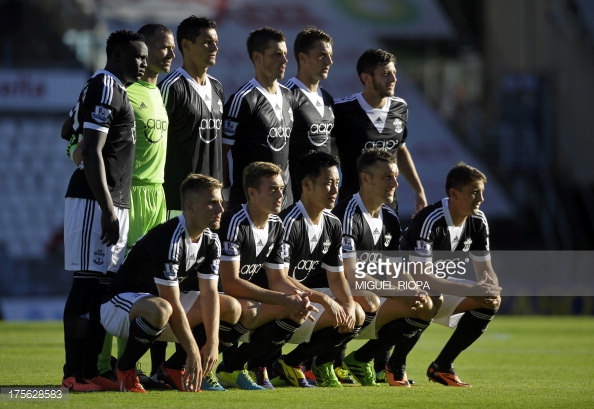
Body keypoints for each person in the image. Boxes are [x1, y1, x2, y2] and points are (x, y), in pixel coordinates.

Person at [89, 23, 176, 388]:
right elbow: (76, 138)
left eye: (171, 48)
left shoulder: (161, 93)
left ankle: (133, 365)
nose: (168, 54)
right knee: (121, 282)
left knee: (152, 287)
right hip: (130, 194)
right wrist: (80, 155)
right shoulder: (122, 89)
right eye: (161, 48)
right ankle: (100, 362)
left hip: (158, 195)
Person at [60, 29, 147, 392]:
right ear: (115, 55)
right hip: (96, 202)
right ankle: (73, 374)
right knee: (85, 287)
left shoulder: (110, 87)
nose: (143, 63)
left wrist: (114, 207)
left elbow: (68, 128)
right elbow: (92, 149)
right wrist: (107, 208)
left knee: (101, 289)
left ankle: (90, 370)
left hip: (114, 202)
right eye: (136, 56)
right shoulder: (106, 85)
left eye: (145, 57)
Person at [100, 174, 242, 393]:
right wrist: (193, 350)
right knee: (162, 308)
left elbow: (209, 295)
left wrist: (212, 342)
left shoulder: (210, 239)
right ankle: (125, 369)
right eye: (212, 203)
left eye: (221, 202)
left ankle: (174, 368)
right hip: (119, 306)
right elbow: (171, 300)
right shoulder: (170, 237)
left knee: (231, 307)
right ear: (189, 206)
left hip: (161, 309)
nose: (220, 209)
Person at [393, 162, 501, 387]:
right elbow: (422, 277)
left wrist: (490, 288)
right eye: (474, 192)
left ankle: (442, 366)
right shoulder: (431, 219)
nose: (480, 198)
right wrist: (471, 289)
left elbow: (485, 269)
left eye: (482, 192)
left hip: (435, 288)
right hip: (400, 286)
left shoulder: (478, 221)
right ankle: (395, 366)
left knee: (491, 302)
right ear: (454, 193)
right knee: (430, 299)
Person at [276, 151, 379, 387]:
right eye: (327, 184)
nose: (334, 190)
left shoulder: (333, 222)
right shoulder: (289, 222)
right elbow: (280, 278)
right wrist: (326, 300)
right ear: (307, 185)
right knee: (337, 308)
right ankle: (253, 364)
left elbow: (337, 276)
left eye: (337, 183)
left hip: (306, 295)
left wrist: (347, 304)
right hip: (279, 295)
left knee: (359, 311)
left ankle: (300, 362)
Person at [332, 148, 433, 387]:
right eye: (387, 177)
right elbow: (350, 275)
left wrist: (413, 289)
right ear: (365, 179)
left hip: (369, 296)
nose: (395, 183)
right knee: (366, 298)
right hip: (336, 295)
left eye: (396, 177)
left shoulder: (389, 216)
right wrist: (398, 292)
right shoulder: (348, 214)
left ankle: (363, 359)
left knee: (425, 303)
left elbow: (394, 266)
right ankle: (329, 361)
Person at [215, 161, 317, 390]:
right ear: (252, 192)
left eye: (282, 188)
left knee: (295, 310)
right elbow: (229, 283)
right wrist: (282, 298)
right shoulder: (234, 222)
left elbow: (278, 279)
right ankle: (189, 366)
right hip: (213, 296)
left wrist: (298, 298)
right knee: (250, 308)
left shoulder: (276, 224)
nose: (281, 194)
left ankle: (234, 367)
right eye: (273, 189)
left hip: (240, 300)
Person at [333, 48, 426, 214]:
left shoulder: (400, 107)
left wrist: (418, 190)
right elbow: (329, 153)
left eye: (394, 73)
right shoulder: (342, 110)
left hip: (388, 205)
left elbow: (400, 149)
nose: (393, 79)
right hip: (352, 206)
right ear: (366, 78)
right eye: (385, 74)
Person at [222, 26, 297, 210]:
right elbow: (222, 150)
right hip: (249, 204)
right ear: (257, 57)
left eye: (285, 54)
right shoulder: (243, 99)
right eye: (277, 54)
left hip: (284, 201)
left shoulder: (289, 96)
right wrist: (225, 192)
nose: (284, 60)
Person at [159, 16, 224, 216]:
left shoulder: (217, 87)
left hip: (212, 202)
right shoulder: (172, 87)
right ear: (186, 45)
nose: (214, 48)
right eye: (207, 42)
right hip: (179, 202)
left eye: (215, 43)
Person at [284, 26, 335, 201]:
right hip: (294, 196)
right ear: (302, 57)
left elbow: (332, 144)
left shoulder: (327, 97)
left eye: (330, 55)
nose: (329, 61)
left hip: (322, 196)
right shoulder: (287, 95)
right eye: (322, 55)